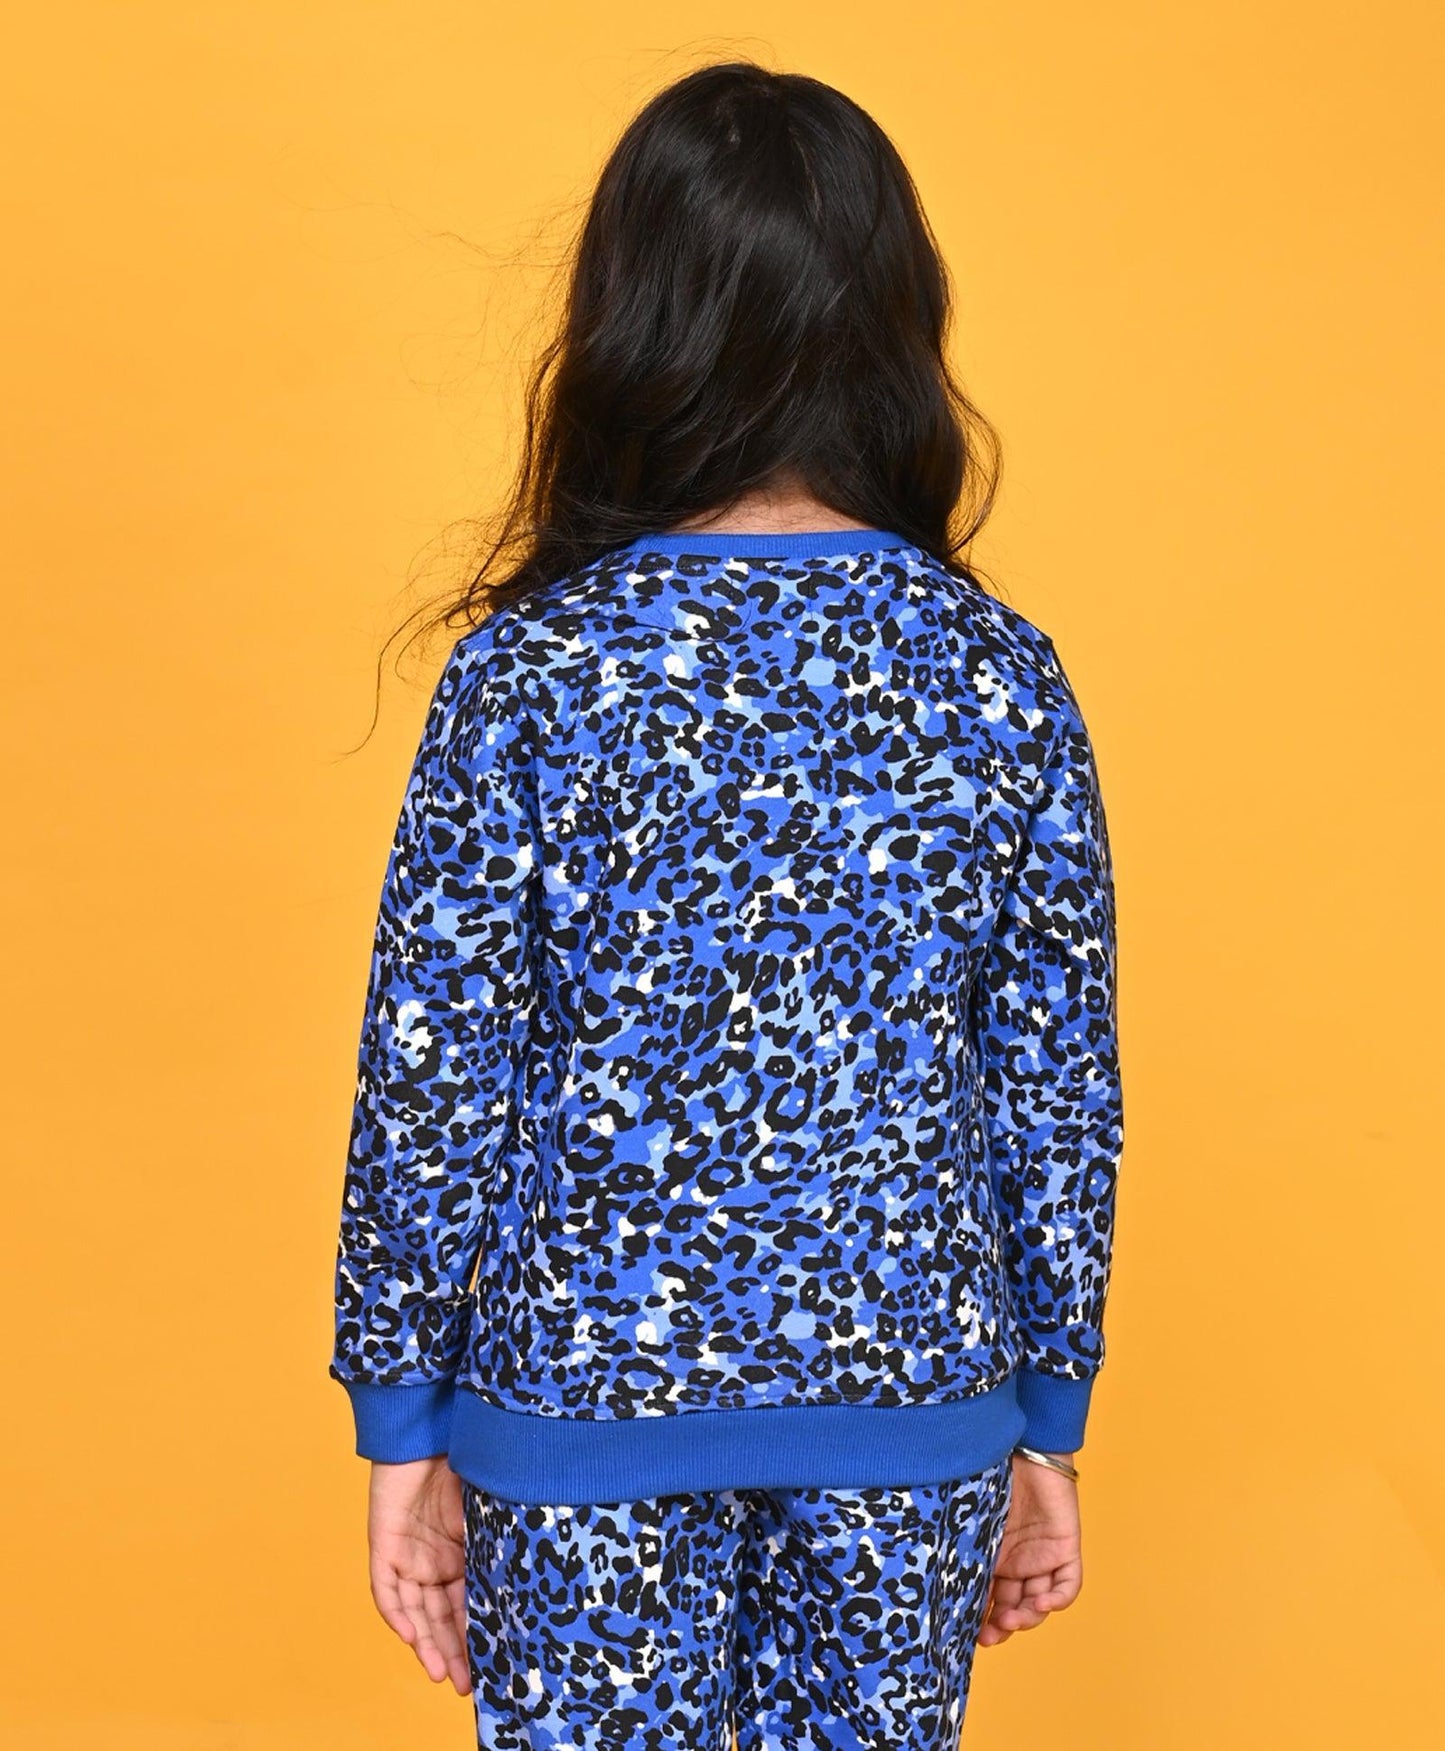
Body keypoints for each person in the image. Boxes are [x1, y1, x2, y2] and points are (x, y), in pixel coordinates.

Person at [328, 58, 1124, 1751]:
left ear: (626, 320)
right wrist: (1046, 1415)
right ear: (895, 318)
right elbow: (1056, 1082)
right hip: (914, 1398)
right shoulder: (996, 676)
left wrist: (402, 1424)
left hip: (575, 1405)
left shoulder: (530, 674)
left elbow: (435, 1075)